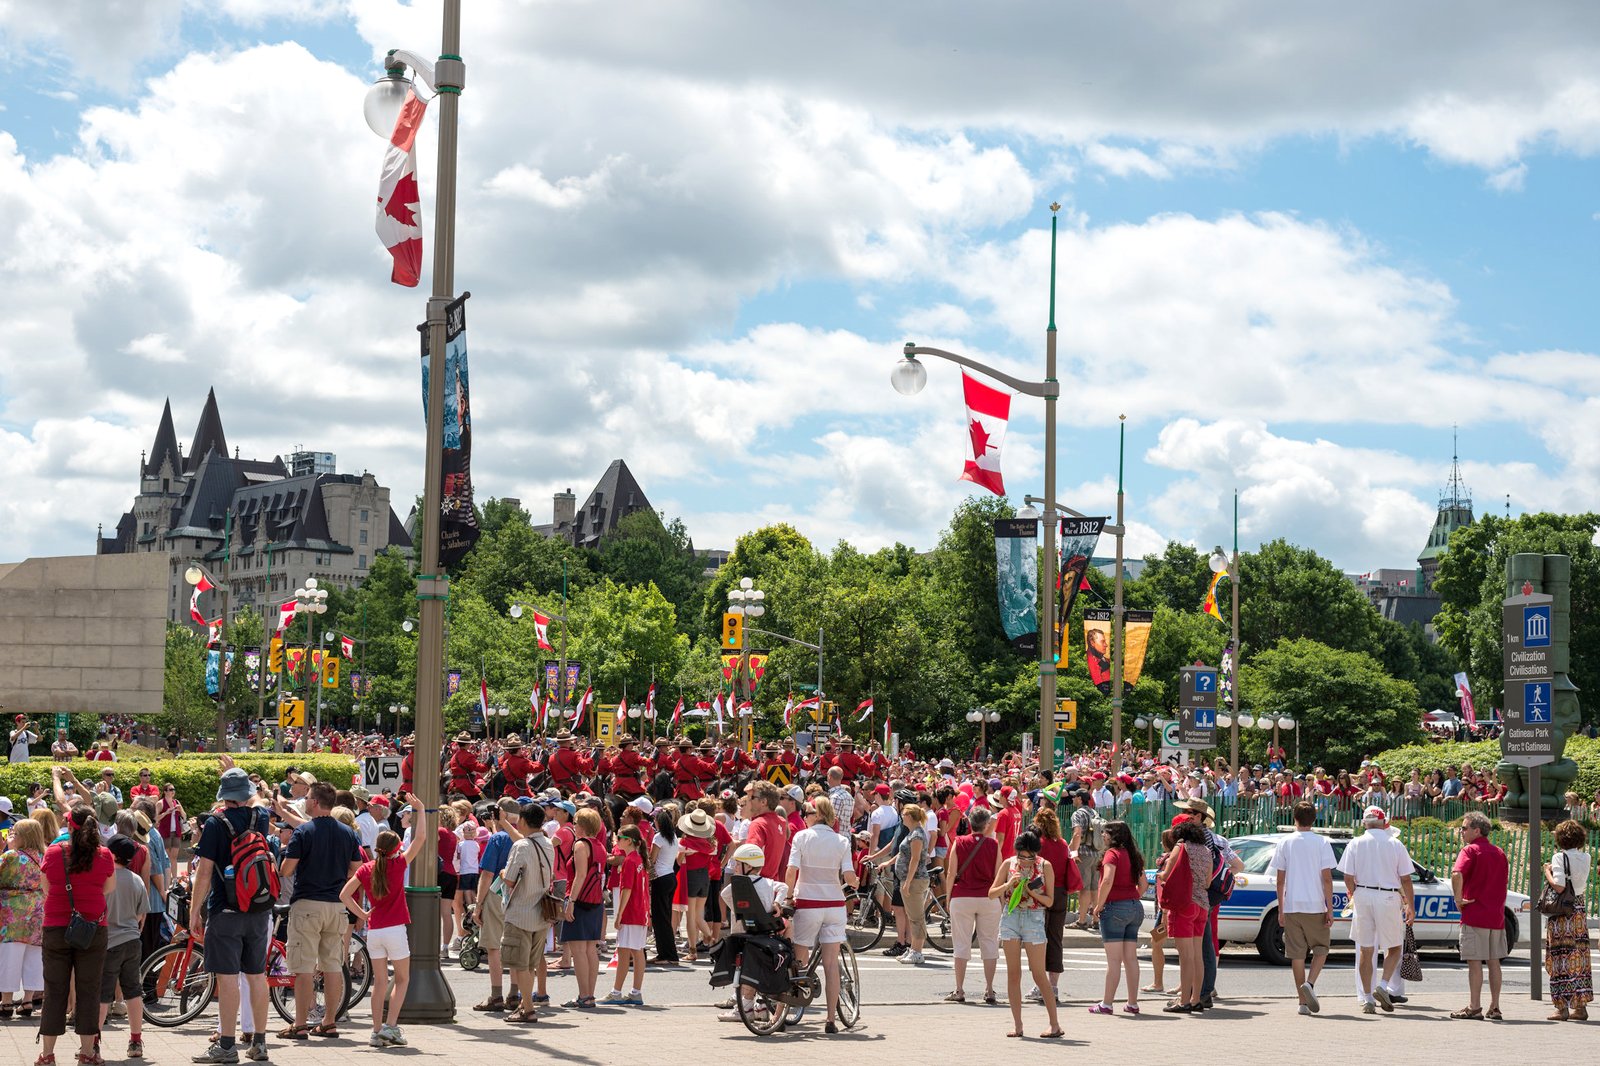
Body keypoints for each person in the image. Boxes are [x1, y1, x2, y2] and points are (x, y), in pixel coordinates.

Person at [278, 780, 362, 1039]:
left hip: (307, 904)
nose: (305, 802)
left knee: (303, 967)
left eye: (307, 798)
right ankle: (329, 1021)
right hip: (336, 906)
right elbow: (356, 869)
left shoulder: (304, 833)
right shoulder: (348, 833)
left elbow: (287, 870)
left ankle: (300, 1024)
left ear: (314, 802)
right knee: (333, 965)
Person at [38, 804, 114, 1066]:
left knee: (55, 990)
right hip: (93, 928)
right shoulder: (104, 854)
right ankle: (87, 1053)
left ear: (70, 826)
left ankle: (47, 1054)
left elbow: (45, 887)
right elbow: (108, 888)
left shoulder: (53, 852)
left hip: (56, 925)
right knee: (89, 990)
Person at [340, 822, 426, 1047]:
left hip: (375, 931)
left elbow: (344, 895)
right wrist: (420, 811)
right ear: (396, 848)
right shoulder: (398, 864)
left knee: (379, 983)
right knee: (402, 979)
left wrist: (363, 914)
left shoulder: (366, 869)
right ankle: (391, 1026)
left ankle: (376, 1031)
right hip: (396, 928)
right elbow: (420, 839)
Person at [783, 796, 854, 1033]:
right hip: (834, 903)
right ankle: (831, 1019)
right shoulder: (842, 840)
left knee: (798, 960)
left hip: (808, 902)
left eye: (807, 813)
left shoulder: (802, 837)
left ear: (817, 814)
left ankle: (782, 1013)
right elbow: (850, 876)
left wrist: (788, 895)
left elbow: (792, 870)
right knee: (831, 964)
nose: (804, 817)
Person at [1338, 806, 1414, 1015]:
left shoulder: (1356, 843)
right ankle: (1383, 984)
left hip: (1363, 893)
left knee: (1365, 949)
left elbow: (1347, 875)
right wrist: (1411, 906)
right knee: (1395, 947)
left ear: (1364, 823)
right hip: (1388, 895)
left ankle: (1368, 998)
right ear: (1384, 822)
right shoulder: (1395, 843)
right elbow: (1406, 878)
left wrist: (1353, 893)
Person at [991, 830, 1062, 1038]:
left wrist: (1030, 891)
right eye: (1022, 855)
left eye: (1030, 856)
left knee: (1039, 974)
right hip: (1011, 918)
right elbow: (991, 893)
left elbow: (1050, 901)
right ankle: (1018, 1025)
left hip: (1034, 917)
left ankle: (1055, 1024)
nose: (1025, 861)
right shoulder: (1008, 864)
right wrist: (1008, 884)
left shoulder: (1044, 866)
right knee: (1013, 974)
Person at [1268, 800, 1335, 1015]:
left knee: (1296, 954)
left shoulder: (1285, 842)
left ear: (1294, 818)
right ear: (1314, 819)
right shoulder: (1322, 842)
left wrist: (1281, 908)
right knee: (1321, 949)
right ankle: (1311, 983)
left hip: (1292, 905)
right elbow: (1327, 879)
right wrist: (1330, 908)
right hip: (1315, 904)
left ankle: (1302, 1003)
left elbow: (1280, 880)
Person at [499, 802, 555, 1025]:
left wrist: (503, 873)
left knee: (520, 965)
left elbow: (510, 879)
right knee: (531, 964)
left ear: (523, 820)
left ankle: (528, 1009)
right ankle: (525, 1005)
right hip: (541, 911)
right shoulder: (548, 844)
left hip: (520, 911)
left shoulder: (521, 846)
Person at [1449, 810, 1509, 1020]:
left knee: (1474, 962)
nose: (1462, 831)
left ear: (1476, 830)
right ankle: (1495, 1006)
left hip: (1474, 913)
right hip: (1496, 916)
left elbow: (1457, 873)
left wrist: (1458, 899)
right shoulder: (1499, 852)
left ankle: (1475, 1006)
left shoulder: (1470, 851)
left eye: (1464, 828)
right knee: (1494, 961)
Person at [1085, 820, 1146, 1016]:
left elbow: (1108, 879)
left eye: (1106, 832)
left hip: (1114, 908)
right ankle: (1132, 1003)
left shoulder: (1112, 854)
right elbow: (1143, 884)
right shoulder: (1133, 854)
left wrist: (1099, 905)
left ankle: (1107, 1003)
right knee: (1131, 958)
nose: (1103, 835)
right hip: (1134, 907)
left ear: (1114, 835)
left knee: (1113, 960)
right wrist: (1133, 896)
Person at [97, 835, 148, 1059]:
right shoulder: (136, 880)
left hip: (108, 942)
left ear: (113, 855)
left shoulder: (103, 879)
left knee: (102, 995)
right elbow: (141, 915)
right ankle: (136, 1041)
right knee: (133, 992)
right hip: (132, 940)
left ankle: (94, 1041)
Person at [942, 805, 1000, 1004]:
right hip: (988, 897)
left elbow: (951, 873)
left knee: (961, 944)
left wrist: (949, 896)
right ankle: (990, 989)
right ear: (986, 825)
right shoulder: (993, 844)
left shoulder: (959, 842)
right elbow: (998, 874)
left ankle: (959, 989)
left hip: (962, 895)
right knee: (990, 943)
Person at [1160, 817, 1211, 1013]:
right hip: (1202, 904)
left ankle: (1184, 1001)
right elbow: (1207, 882)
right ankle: (1196, 998)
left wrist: (1159, 875)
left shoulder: (1181, 848)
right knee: (1197, 955)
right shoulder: (1206, 851)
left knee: (1185, 957)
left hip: (1184, 903)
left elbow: (1166, 873)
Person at [1544, 818, 1592, 1021]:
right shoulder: (1586, 857)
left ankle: (1561, 1007)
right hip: (1579, 909)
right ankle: (1580, 1007)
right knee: (1578, 958)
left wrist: (1547, 871)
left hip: (1562, 913)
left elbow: (1559, 886)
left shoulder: (1559, 858)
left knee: (1560, 957)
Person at [0, 818, 48, 1021]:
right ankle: (28, 1000)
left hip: (13, 913)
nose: (11, 836)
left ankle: (7, 1001)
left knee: (10, 956)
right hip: (38, 910)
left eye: (14, 833)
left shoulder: (12, 856)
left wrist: (7, 848)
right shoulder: (44, 856)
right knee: (33, 956)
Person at [560, 807, 605, 1009]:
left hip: (579, 900)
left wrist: (571, 902)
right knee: (590, 950)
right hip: (595, 901)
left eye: (576, 822)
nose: (574, 825)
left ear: (583, 826)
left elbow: (580, 875)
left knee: (578, 950)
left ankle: (583, 995)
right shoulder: (600, 846)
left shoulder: (580, 845)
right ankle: (590, 995)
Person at [601, 825, 648, 1005]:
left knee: (623, 952)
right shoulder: (639, 858)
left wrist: (619, 914)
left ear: (628, 840)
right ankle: (635, 992)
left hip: (631, 911)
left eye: (619, 837)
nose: (617, 840)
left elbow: (627, 889)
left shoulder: (629, 860)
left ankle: (616, 992)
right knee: (637, 951)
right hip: (640, 911)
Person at [646, 809, 682, 966]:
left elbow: (651, 859)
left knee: (660, 919)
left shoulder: (658, 837)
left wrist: (648, 876)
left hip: (660, 878)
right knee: (664, 917)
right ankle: (667, 953)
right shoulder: (673, 837)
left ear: (659, 822)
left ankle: (666, 954)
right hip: (670, 877)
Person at [1067, 787, 1098, 928]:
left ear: (1079, 799)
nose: (1073, 799)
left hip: (1084, 853)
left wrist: (1074, 852)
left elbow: (1077, 833)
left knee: (1084, 888)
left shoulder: (1078, 814)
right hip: (1096, 852)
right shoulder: (1095, 812)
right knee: (1094, 887)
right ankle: (1096, 919)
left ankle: (1082, 920)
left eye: (1074, 797)